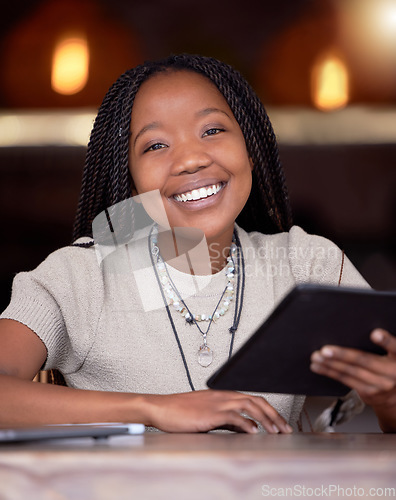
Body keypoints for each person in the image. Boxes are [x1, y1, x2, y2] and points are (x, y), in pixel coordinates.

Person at [0, 54, 395, 433]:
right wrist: (151, 409)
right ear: (131, 179)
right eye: (155, 145)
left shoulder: (306, 263)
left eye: (212, 130)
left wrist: (389, 397)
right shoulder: (80, 275)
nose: (190, 159)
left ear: (250, 150)